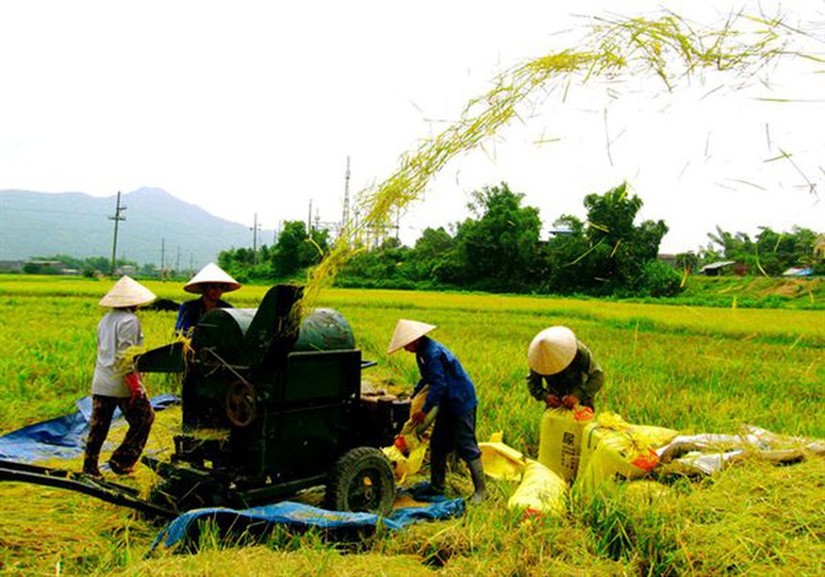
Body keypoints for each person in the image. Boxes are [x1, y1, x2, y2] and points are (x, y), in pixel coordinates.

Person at [387, 319, 486, 502]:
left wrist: (423, 411)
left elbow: (438, 385)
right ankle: (436, 486)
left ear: (414, 340)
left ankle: (481, 491)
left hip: (460, 402)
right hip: (447, 403)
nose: (405, 349)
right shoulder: (422, 353)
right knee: (438, 445)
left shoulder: (432, 353)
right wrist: (413, 396)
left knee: (466, 445)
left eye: (406, 345)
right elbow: (427, 379)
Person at [83, 276, 157, 477]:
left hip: (101, 380)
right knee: (145, 418)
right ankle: (122, 460)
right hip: (121, 382)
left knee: (98, 426)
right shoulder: (130, 321)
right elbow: (126, 356)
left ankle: (89, 468)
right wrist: (136, 386)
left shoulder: (105, 320)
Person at [526, 325, 604, 410]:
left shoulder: (578, 351)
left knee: (583, 422)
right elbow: (533, 383)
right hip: (555, 402)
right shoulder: (538, 357)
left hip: (581, 399)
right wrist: (546, 396)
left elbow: (598, 376)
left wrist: (577, 395)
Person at [174, 262, 241, 336]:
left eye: (221, 287)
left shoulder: (227, 309)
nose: (217, 291)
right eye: (213, 286)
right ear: (203, 287)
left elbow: (233, 332)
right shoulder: (189, 307)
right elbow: (180, 330)